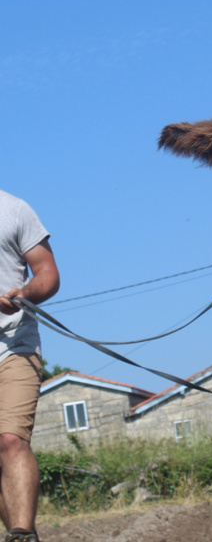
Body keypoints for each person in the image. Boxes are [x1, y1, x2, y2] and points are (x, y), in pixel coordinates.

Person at [0, 190, 60, 542]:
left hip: (14, 345)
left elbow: (47, 274)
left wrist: (23, 293)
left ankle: (21, 536)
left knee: (9, 439)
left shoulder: (14, 210)